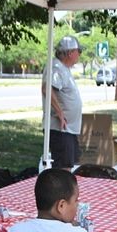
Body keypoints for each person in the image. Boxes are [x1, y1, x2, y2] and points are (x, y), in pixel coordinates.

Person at [42, 35, 83, 170]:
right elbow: (47, 88)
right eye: (79, 51)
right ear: (70, 52)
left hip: (68, 129)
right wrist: (59, 113)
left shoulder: (63, 68)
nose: (80, 54)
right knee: (62, 167)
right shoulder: (57, 68)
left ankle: (64, 189)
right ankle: (61, 191)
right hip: (60, 128)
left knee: (67, 165)